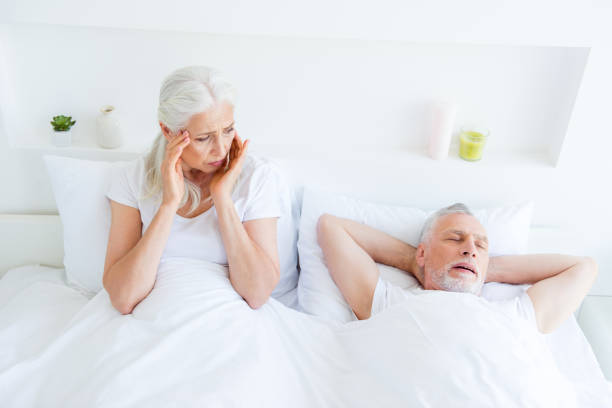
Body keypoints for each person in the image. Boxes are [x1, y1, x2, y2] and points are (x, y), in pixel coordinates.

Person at [103, 66, 283, 314]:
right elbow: (123, 298)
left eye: (228, 130)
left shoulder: (257, 177)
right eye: (203, 138)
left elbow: (257, 293)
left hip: (230, 323)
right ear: (168, 131)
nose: (220, 150)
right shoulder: (132, 178)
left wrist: (222, 199)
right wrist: (169, 204)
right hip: (155, 322)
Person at [317, 203, 598, 333]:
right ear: (424, 251)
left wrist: (483, 268)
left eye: (481, 246)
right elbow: (332, 226)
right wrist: (416, 262)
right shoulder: (388, 302)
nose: (470, 249)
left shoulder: (515, 314)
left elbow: (584, 267)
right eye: (455, 238)